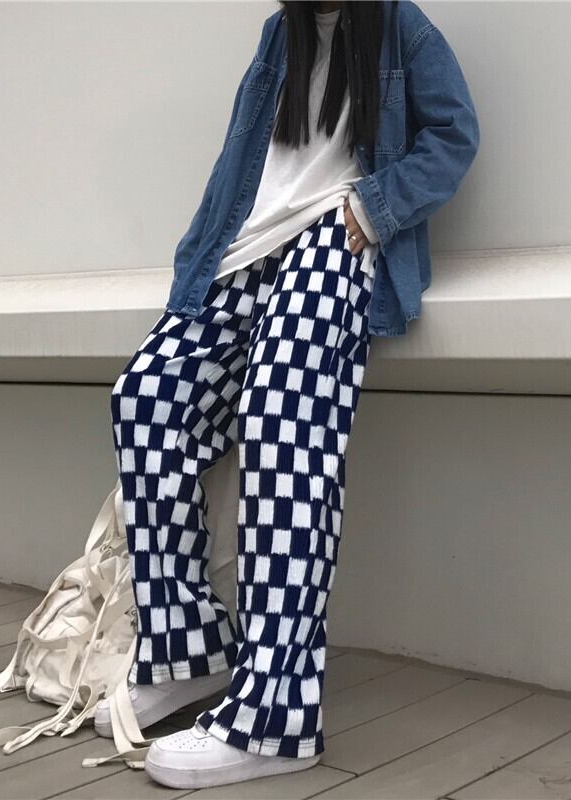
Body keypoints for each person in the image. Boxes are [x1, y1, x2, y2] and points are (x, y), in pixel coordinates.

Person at [99, 0, 480, 789]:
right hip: (245, 252)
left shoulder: (401, 26)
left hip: (334, 239)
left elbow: (454, 137)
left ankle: (275, 718)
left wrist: (373, 208)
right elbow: (241, 164)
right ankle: (188, 653)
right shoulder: (282, 34)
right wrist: (197, 264)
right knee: (147, 398)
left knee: (281, 426)